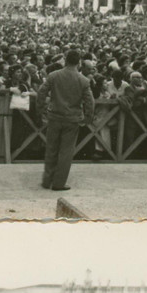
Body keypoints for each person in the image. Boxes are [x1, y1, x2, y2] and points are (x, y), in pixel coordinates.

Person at [35, 49, 95, 192]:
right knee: (66, 152)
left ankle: (47, 180)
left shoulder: (54, 75)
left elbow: (41, 93)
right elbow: (90, 102)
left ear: (65, 60)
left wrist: (40, 110)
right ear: (79, 62)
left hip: (54, 116)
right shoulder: (83, 80)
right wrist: (88, 118)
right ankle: (59, 183)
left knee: (51, 149)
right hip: (72, 119)